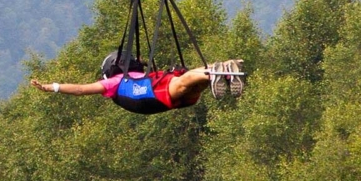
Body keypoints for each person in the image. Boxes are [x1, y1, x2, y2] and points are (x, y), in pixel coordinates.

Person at [30, 59, 244, 113]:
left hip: (153, 94)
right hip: (160, 93)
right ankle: (219, 70)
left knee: (183, 84)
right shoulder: (137, 73)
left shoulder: (113, 82)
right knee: (190, 84)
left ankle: (214, 71)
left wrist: (52, 87)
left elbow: (80, 90)